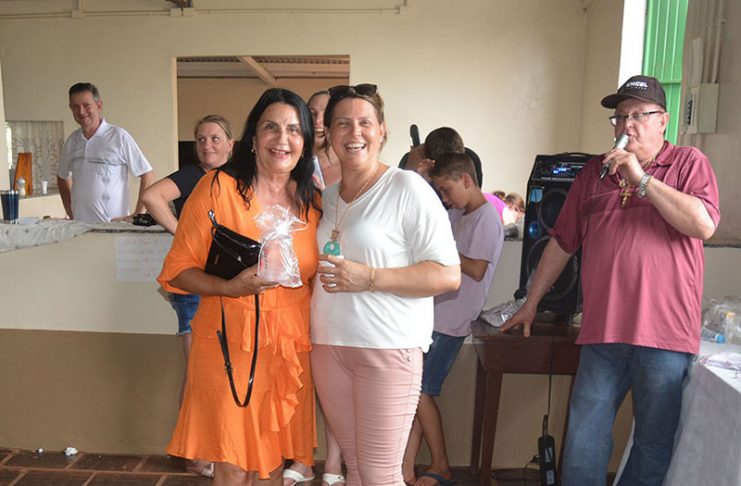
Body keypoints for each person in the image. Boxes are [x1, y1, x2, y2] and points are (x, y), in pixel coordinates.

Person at [501, 75, 720, 485]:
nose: (626, 125)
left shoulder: (689, 163)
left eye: (638, 115)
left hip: (665, 335)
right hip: (602, 331)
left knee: (653, 442)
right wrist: (530, 302)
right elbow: (562, 243)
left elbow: (703, 224)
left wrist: (643, 180)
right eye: (620, 117)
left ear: (663, 121)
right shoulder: (593, 173)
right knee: (584, 437)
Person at [157, 88, 321, 486]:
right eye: (271, 127)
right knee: (232, 462)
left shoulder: (313, 201)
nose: (282, 139)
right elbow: (177, 270)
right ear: (252, 137)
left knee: (273, 462)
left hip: (289, 348)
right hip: (229, 338)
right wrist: (229, 287)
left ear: (305, 141)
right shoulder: (218, 188)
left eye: (293, 130)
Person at [310, 83, 461, 486]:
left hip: (387, 348)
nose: (354, 133)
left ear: (382, 130)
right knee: (357, 470)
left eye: (364, 122)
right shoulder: (328, 197)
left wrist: (371, 277)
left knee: (380, 475)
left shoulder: (407, 188)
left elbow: (448, 274)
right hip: (329, 347)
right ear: (329, 133)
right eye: (343, 123)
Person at [402, 152, 504, 486]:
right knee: (417, 394)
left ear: (466, 180)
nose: (444, 198)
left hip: (452, 322)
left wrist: (442, 252)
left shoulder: (487, 218)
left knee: (420, 393)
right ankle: (405, 468)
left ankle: (441, 465)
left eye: (446, 190)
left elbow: (476, 268)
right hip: (434, 316)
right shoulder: (458, 213)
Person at [143, 114, 235, 478]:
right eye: (201, 139)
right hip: (193, 287)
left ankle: (209, 449)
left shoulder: (237, 177)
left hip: (224, 287)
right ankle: (195, 455)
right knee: (199, 372)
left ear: (230, 143)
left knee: (216, 372)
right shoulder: (192, 176)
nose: (207, 145)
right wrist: (184, 233)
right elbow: (151, 196)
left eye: (215, 138)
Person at [282, 93, 345, 486]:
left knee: (335, 381)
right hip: (302, 284)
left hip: (344, 283)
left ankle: (335, 461)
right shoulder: (298, 164)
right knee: (302, 376)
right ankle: (302, 457)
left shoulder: (355, 164)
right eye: (313, 112)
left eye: (326, 113)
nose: (319, 119)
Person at [57, 82, 154, 223]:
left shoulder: (119, 137)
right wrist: (70, 212)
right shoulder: (72, 142)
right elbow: (62, 177)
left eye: (86, 105)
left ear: (99, 105)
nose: (81, 112)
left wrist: (138, 215)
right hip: (80, 228)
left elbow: (148, 175)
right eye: (75, 107)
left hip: (113, 228)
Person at [308, 90, 342, 189]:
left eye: (326, 114)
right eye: (312, 113)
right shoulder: (293, 165)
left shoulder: (352, 168)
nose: (318, 121)